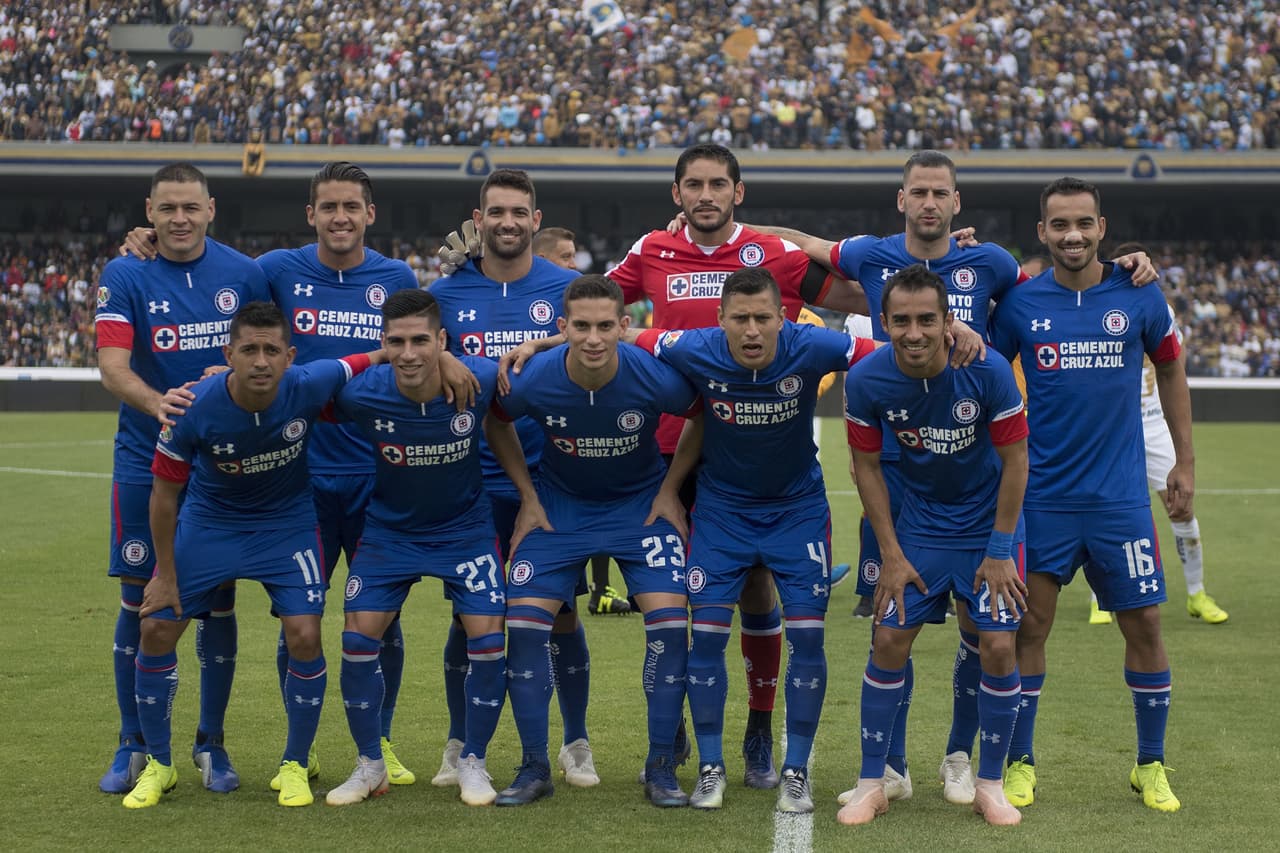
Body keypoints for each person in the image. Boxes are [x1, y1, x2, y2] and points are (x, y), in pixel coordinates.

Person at [746, 150, 1155, 805]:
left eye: (941, 192)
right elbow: (809, 245)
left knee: (982, 630)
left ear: (956, 203)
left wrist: (1129, 263)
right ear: (901, 199)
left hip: (971, 469)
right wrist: (745, 234)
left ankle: (962, 756)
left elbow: (1056, 285)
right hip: (903, 470)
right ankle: (894, 764)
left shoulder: (990, 263)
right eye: (919, 192)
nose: (930, 202)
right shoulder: (871, 255)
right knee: (893, 623)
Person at [505, 143, 872, 788]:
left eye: (718, 185)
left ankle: (759, 730)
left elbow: (858, 293)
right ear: (678, 194)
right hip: (671, 446)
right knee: (682, 603)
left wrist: (938, 279)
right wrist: (539, 334)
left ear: (738, 192)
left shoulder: (771, 255)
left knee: (758, 589)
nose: (706, 195)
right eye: (694, 185)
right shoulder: (650, 251)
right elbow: (592, 310)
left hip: (755, 450)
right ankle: (672, 726)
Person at [121, 161, 444, 790]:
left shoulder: (396, 276)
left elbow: (412, 344)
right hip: (297, 480)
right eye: (329, 207)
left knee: (381, 617)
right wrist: (146, 245)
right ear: (311, 214)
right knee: (297, 620)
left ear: (369, 215)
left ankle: (377, 743)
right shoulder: (274, 271)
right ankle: (300, 754)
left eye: (352, 206)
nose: (341, 217)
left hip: (376, 471)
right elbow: (234, 323)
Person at [634, 267, 878, 813]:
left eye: (762, 318)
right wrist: (548, 340)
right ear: (719, 321)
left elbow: (878, 352)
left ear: (782, 319)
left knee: (809, 640)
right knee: (708, 639)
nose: (751, 330)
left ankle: (794, 770)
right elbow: (625, 336)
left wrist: (958, 338)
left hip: (797, 513)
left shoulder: (811, 344)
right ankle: (711, 767)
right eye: (739, 319)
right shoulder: (693, 347)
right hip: (722, 513)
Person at [124, 301, 382, 809]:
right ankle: (159, 764)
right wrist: (167, 575)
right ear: (228, 354)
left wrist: (442, 359)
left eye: (270, 350)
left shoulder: (308, 383)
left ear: (289, 356)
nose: (260, 361)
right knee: (155, 626)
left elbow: (370, 358)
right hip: (211, 525)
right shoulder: (192, 405)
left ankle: (293, 764)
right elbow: (162, 496)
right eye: (249, 350)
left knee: (306, 634)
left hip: (285, 528)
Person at [989, 177, 1192, 813]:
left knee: (1146, 625)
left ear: (1102, 228)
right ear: (1042, 232)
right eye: (1059, 225)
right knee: (1030, 627)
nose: (1072, 235)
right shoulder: (1019, 305)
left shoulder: (1138, 292)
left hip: (1121, 499)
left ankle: (1150, 765)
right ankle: (1020, 762)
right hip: (1042, 498)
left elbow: (1171, 365)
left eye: (1084, 224)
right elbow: (991, 381)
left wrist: (1184, 460)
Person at [325, 289, 547, 807]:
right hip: (388, 533)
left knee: (489, 641)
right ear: (382, 344)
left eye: (421, 341)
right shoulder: (360, 394)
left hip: (464, 532)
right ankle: (369, 764)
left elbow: (517, 402)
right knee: (358, 640)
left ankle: (473, 760)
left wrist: (528, 496)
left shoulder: (481, 379)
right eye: (396, 342)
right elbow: (291, 393)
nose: (408, 353)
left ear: (442, 340)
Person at [95, 162, 268, 796]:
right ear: (149, 210)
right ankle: (132, 741)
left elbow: (269, 349)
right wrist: (157, 403)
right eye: (167, 208)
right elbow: (112, 365)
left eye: (190, 207)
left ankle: (210, 745)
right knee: (139, 595)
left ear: (211, 208)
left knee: (216, 601)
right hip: (144, 458)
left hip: (218, 469)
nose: (179, 219)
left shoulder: (246, 274)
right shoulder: (126, 272)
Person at [492, 274, 697, 808]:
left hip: (640, 509)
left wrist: (672, 489)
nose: (592, 338)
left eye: (605, 326)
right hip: (559, 512)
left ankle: (660, 767)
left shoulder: (652, 374)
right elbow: (496, 421)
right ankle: (534, 764)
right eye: (580, 326)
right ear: (561, 328)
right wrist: (527, 496)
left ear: (625, 326)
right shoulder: (535, 377)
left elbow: (702, 413)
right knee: (524, 627)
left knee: (671, 628)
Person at [835, 265, 1029, 827]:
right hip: (917, 530)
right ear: (884, 322)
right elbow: (866, 468)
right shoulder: (867, 380)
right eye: (901, 321)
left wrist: (999, 548)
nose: (913, 332)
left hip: (983, 531)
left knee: (996, 648)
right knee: (889, 637)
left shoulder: (988, 370)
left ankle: (989, 784)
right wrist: (890, 553)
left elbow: (1017, 460)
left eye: (926, 319)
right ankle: (874, 780)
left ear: (949, 321)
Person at [429, 169, 596, 789]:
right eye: (495, 212)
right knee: (466, 616)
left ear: (534, 217)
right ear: (479, 218)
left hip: (550, 478)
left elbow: (595, 335)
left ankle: (575, 742)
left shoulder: (566, 287)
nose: (506, 222)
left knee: (559, 614)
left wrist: (544, 340)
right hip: (467, 478)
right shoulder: (448, 291)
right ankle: (457, 745)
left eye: (518, 212)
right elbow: (419, 345)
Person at [1088, 244, 1226, 627]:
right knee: (1097, 511)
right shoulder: (1096, 304)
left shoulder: (1158, 307)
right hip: (1111, 425)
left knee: (1181, 508)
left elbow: (1172, 364)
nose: (1136, 274)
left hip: (1152, 423)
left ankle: (1197, 594)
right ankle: (1101, 597)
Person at [534, 226, 630, 616]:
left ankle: (601, 589)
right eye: (565, 257)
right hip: (534, 454)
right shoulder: (535, 304)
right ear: (541, 261)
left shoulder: (580, 312)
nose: (575, 265)